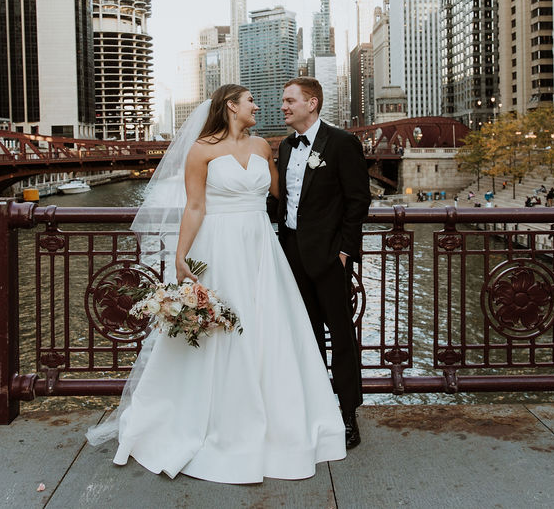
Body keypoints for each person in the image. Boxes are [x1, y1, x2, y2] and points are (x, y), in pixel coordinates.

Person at [86, 84, 346, 483]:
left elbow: (287, 196)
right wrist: (180, 256)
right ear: (231, 107)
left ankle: (282, 417)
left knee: (269, 329)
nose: (258, 106)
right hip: (219, 246)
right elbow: (194, 206)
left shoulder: (263, 147)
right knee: (221, 331)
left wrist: (331, 227)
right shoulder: (201, 150)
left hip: (261, 247)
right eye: (251, 101)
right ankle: (210, 420)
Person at [273, 77, 370, 451]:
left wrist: (345, 252)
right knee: (307, 335)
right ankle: (315, 410)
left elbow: (357, 200)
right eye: (284, 100)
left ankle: (347, 414)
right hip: (292, 254)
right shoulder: (284, 146)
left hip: (330, 257)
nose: (283, 106)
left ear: (311, 103)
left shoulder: (342, 143)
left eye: (289, 100)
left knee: (342, 338)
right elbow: (284, 202)